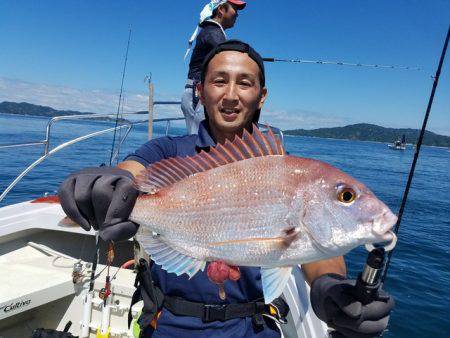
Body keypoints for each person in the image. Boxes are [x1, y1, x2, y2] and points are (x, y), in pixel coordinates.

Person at [58, 40, 394, 337]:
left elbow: (315, 250)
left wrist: (329, 286)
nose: (231, 95)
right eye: (220, 81)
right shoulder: (168, 151)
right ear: (201, 91)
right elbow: (129, 176)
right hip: (170, 323)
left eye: (245, 83)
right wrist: (107, 184)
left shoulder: (286, 169)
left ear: (261, 96)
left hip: (254, 327)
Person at [182, 0, 246, 135]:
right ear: (221, 9)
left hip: (198, 92)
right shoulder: (213, 32)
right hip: (198, 94)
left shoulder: (213, 32)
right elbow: (228, 55)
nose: (237, 15)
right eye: (235, 9)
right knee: (198, 143)